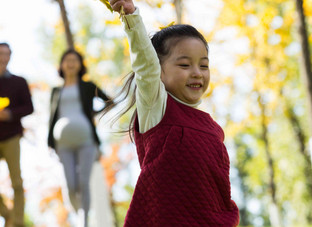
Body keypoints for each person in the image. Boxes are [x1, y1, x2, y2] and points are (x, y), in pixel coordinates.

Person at [106, 1, 240, 226]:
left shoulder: (213, 129)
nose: (197, 73)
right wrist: (131, 18)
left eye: (204, 66)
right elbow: (146, 66)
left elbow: (218, 192)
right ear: (160, 70)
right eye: (185, 65)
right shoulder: (156, 107)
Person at [47, 49, 111, 227]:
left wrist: (92, 114)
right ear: (61, 65)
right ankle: (77, 215)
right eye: (67, 60)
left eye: (74, 60)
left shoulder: (88, 86)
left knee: (84, 182)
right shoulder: (56, 91)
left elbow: (109, 101)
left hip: (86, 141)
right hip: (62, 143)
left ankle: (84, 222)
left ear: (80, 65)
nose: (70, 63)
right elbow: (51, 117)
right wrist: (49, 143)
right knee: (70, 185)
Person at [0, 42, 34, 227]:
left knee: (17, 183)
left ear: (10, 56)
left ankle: (18, 222)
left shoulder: (18, 82)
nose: (3, 57)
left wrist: (10, 114)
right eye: (0, 53)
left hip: (12, 136)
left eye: (6, 54)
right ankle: (7, 215)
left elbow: (29, 107)